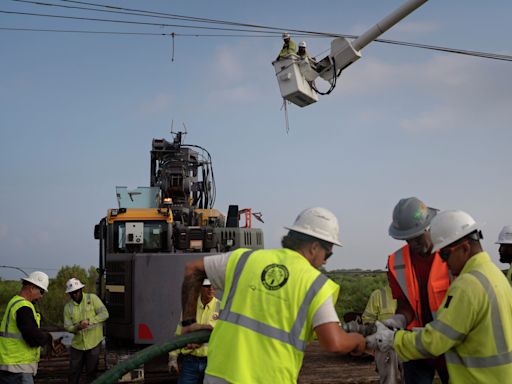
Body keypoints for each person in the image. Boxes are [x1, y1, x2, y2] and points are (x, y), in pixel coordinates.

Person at [179, 207, 366, 383]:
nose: (325, 261)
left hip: (219, 376)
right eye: (328, 254)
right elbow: (334, 343)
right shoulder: (315, 283)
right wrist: (358, 341)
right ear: (314, 247)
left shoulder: (245, 259)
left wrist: (188, 323)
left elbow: (192, 270)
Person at [369, 209, 512, 382]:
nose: (442, 261)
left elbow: (435, 341)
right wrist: (398, 320)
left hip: (473, 375)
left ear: (465, 248)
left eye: (444, 254)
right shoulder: (496, 275)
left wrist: (394, 340)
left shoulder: (468, 285)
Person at [385, 197, 450, 384]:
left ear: (429, 228)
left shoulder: (450, 254)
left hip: (449, 344)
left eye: (417, 237)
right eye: (407, 239)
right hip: (415, 346)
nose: (413, 244)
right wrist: (398, 319)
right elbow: (405, 304)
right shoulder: (396, 262)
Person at [0, 271, 66, 384]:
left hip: (9, 365)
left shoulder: (14, 302)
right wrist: (48, 338)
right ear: (32, 287)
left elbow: (26, 330)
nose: (41, 296)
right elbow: (32, 337)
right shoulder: (23, 307)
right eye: (41, 292)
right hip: (19, 367)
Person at [169, 278, 220, 384]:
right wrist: (173, 358)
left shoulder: (221, 308)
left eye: (213, 286)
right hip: (190, 362)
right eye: (207, 286)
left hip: (212, 363)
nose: (211, 289)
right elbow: (179, 333)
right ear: (200, 288)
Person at [63, 278, 109, 384]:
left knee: (92, 373)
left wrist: (89, 321)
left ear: (81, 289)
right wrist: (77, 327)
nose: (74, 294)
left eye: (76, 291)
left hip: (94, 343)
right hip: (77, 346)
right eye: (72, 293)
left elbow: (105, 314)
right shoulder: (68, 307)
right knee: (73, 372)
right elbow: (67, 326)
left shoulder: (92, 298)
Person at [362, 285, 403, 384]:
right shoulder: (379, 294)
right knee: (389, 381)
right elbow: (367, 320)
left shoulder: (414, 292)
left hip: (409, 344)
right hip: (385, 347)